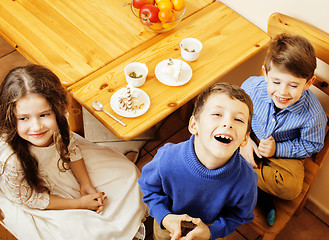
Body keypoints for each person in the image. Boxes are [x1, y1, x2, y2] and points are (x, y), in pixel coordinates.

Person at [0, 65, 147, 240]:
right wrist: (79, 204)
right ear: (11, 118)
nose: (37, 127)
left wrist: (86, 185)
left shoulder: (59, 122)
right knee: (83, 232)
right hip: (36, 190)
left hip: (61, 162)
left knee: (128, 174)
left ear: (55, 109)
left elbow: (70, 148)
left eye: (44, 115)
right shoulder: (11, 160)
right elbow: (32, 198)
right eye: (24, 118)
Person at [138, 83, 258, 240]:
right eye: (217, 114)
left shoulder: (247, 180)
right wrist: (164, 217)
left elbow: (240, 216)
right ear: (194, 125)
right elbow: (148, 187)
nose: (228, 123)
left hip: (208, 233)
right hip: (166, 227)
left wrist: (211, 232)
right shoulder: (167, 159)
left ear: (245, 139)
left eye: (238, 119)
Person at [240, 33, 327, 226]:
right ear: (265, 74)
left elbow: (312, 145)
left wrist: (277, 149)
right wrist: (244, 141)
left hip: (284, 151)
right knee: (216, 140)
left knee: (291, 187)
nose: (282, 92)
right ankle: (254, 185)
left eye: (293, 85)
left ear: (308, 83)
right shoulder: (252, 88)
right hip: (250, 137)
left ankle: (248, 182)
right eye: (276, 82)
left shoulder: (313, 115)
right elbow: (239, 113)